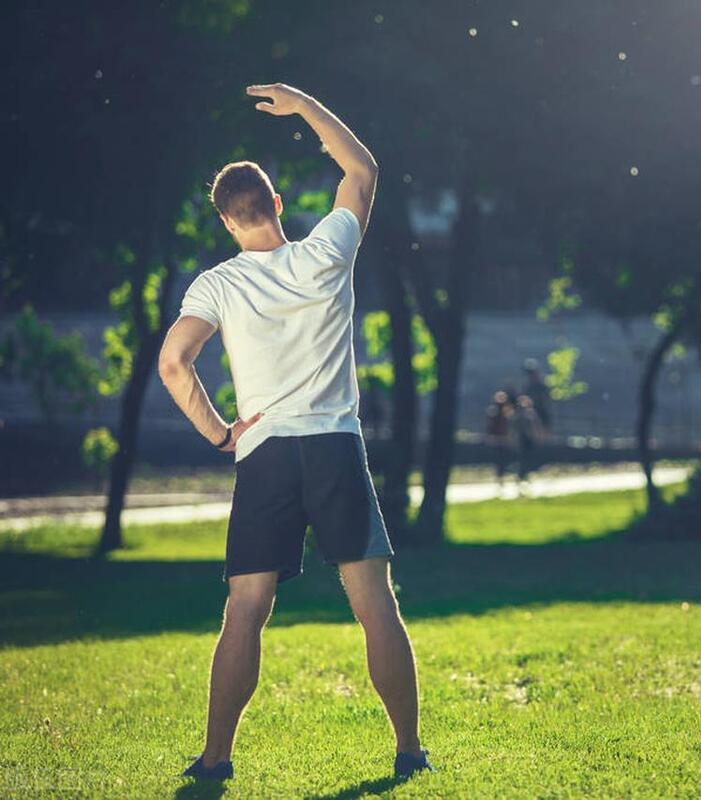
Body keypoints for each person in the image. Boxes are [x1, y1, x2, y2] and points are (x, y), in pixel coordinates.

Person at [157, 84, 432, 783]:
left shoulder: (216, 285)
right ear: (276, 205)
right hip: (335, 447)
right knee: (375, 602)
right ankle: (408, 751)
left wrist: (220, 432)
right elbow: (362, 169)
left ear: (226, 221)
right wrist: (304, 106)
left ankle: (215, 759)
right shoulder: (324, 252)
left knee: (245, 608)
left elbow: (173, 363)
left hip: (264, 455)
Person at [485, 389, 515, 485]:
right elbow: (490, 426)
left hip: (505, 439)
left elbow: (511, 425)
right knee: (498, 459)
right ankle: (500, 477)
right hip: (497, 439)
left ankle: (502, 475)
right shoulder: (494, 410)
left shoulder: (507, 410)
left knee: (504, 458)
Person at [523, 358, 553, 433]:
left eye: (532, 372)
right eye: (529, 373)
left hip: (541, 409)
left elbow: (547, 397)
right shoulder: (527, 386)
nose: (530, 375)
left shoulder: (542, 384)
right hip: (531, 410)